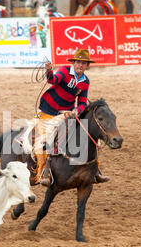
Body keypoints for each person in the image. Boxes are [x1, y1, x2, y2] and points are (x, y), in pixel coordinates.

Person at [34, 49, 110, 186]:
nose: (80, 65)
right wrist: (49, 70)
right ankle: (45, 171)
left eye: (83, 63)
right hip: (48, 110)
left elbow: (82, 101)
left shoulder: (85, 81)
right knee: (46, 140)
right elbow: (53, 80)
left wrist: (77, 110)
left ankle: (95, 170)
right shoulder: (64, 71)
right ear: (73, 63)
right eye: (78, 62)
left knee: (88, 134)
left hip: (66, 112)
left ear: (87, 65)